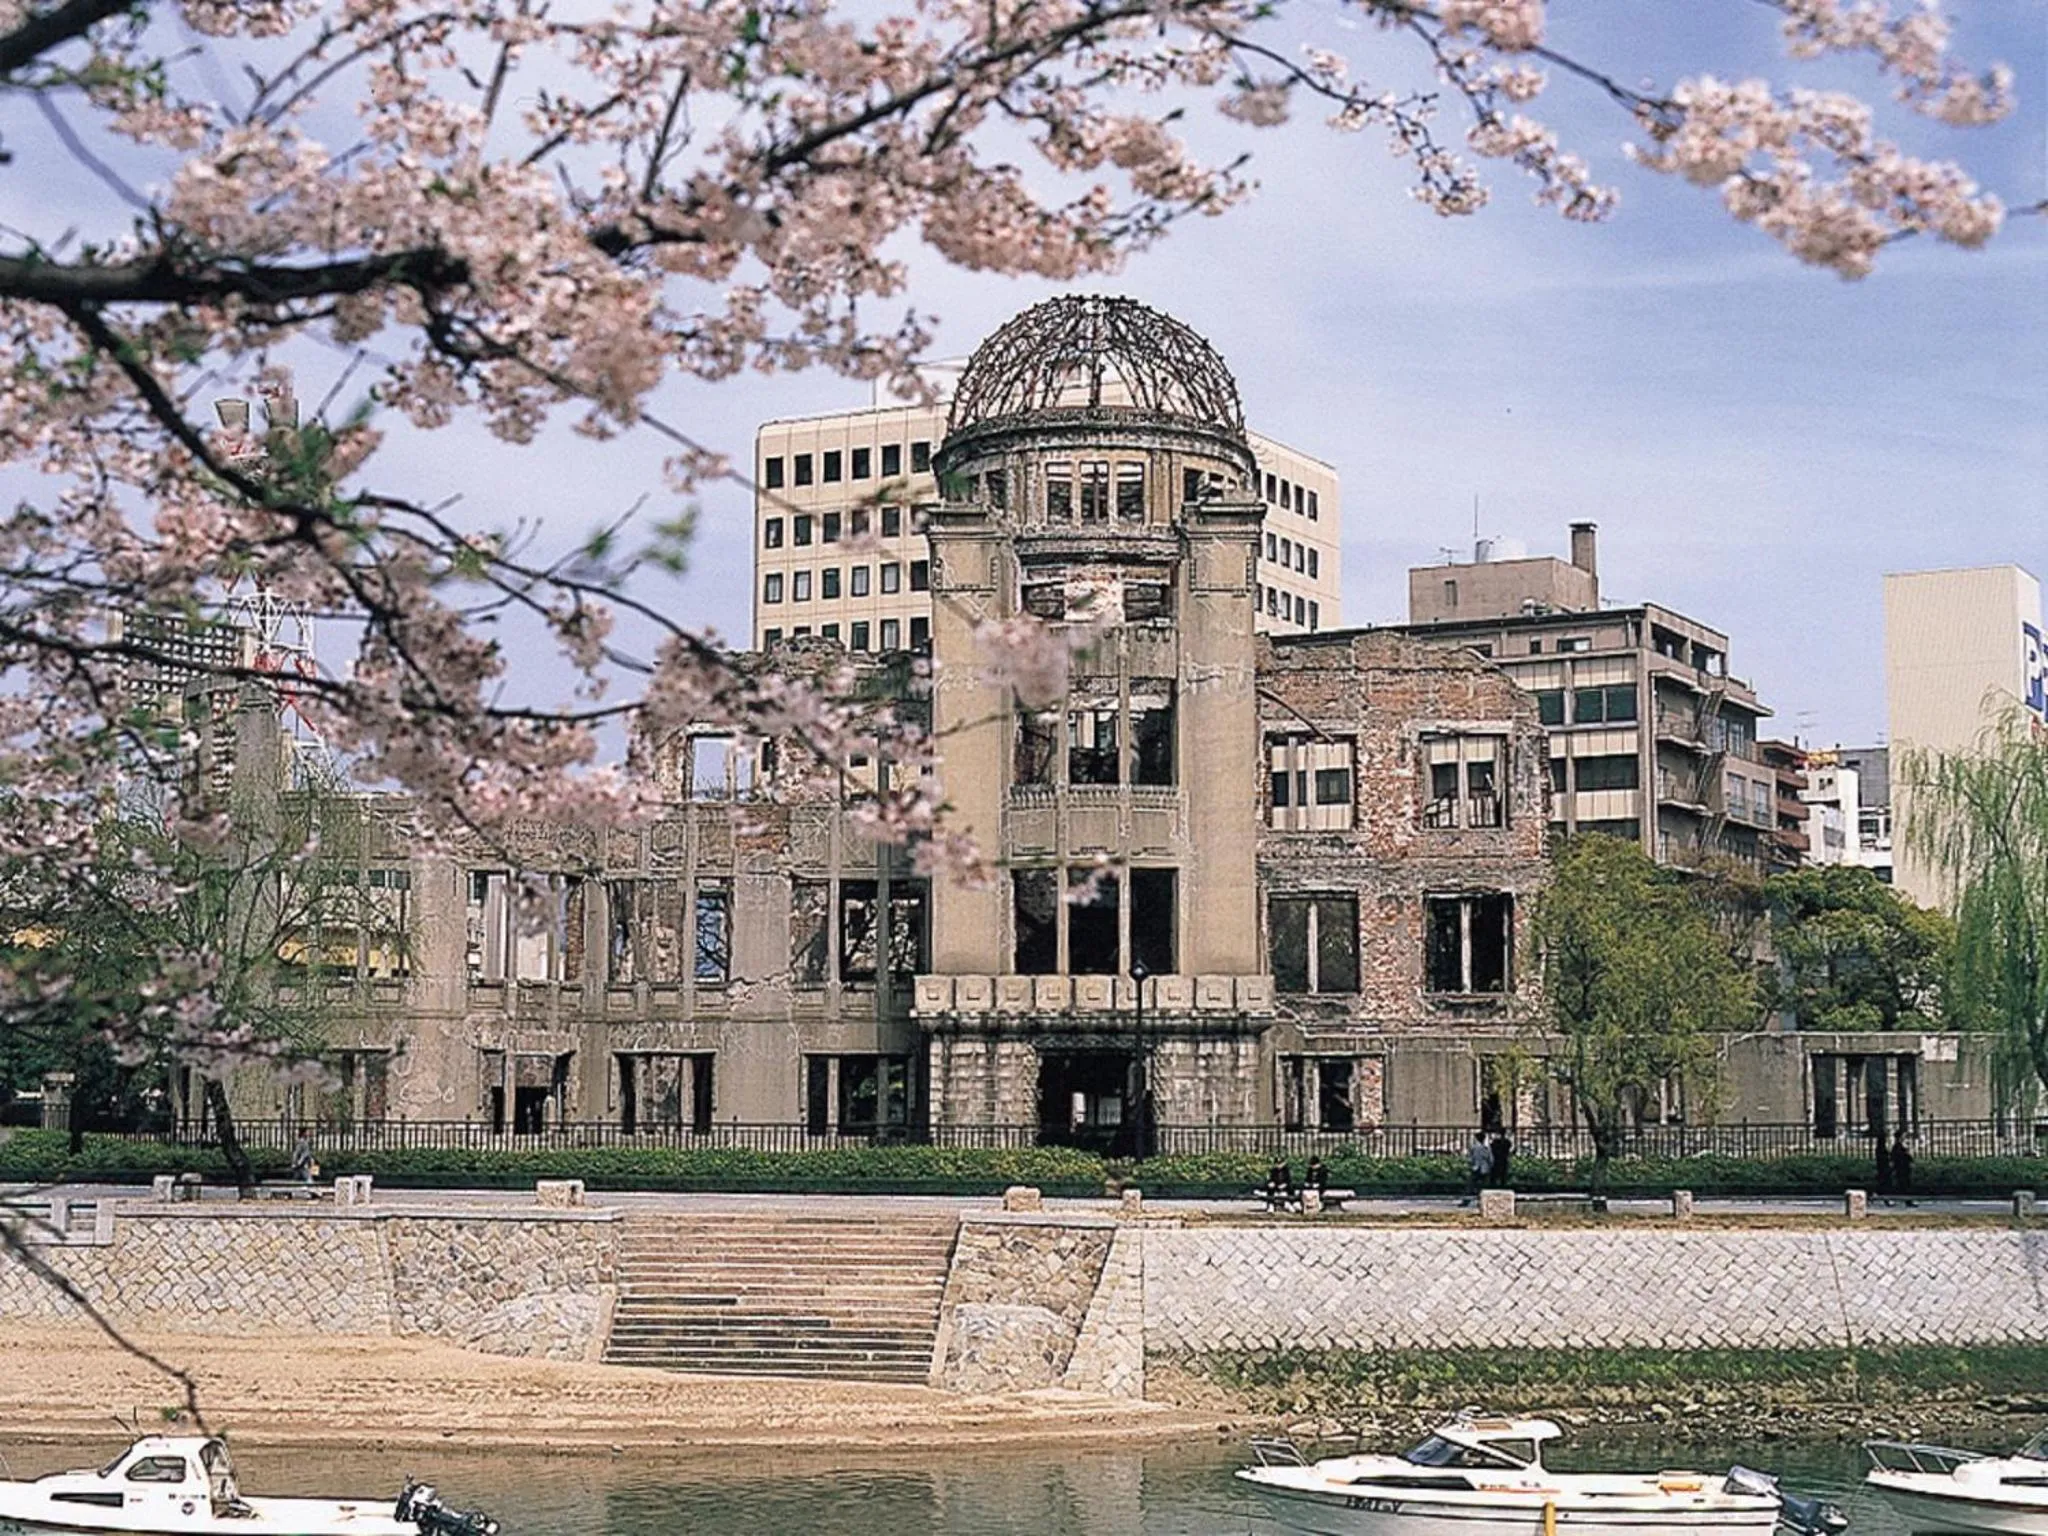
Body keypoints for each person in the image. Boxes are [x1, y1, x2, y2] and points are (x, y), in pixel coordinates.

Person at [1465, 1130, 1491, 1204]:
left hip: (1475, 1167)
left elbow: (1470, 1158)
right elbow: (1491, 1159)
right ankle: (1482, 1200)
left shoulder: (1474, 1147)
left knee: (1471, 1185)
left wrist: (1470, 1165)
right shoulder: (1486, 1148)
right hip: (1484, 1168)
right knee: (1483, 1185)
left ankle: (1467, 1200)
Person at [1890, 1134, 1914, 1200]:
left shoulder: (1900, 1147)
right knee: (1903, 1182)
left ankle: (1904, 1196)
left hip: (1902, 1167)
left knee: (1903, 1182)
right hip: (1902, 1167)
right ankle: (1905, 1197)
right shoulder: (1898, 1147)